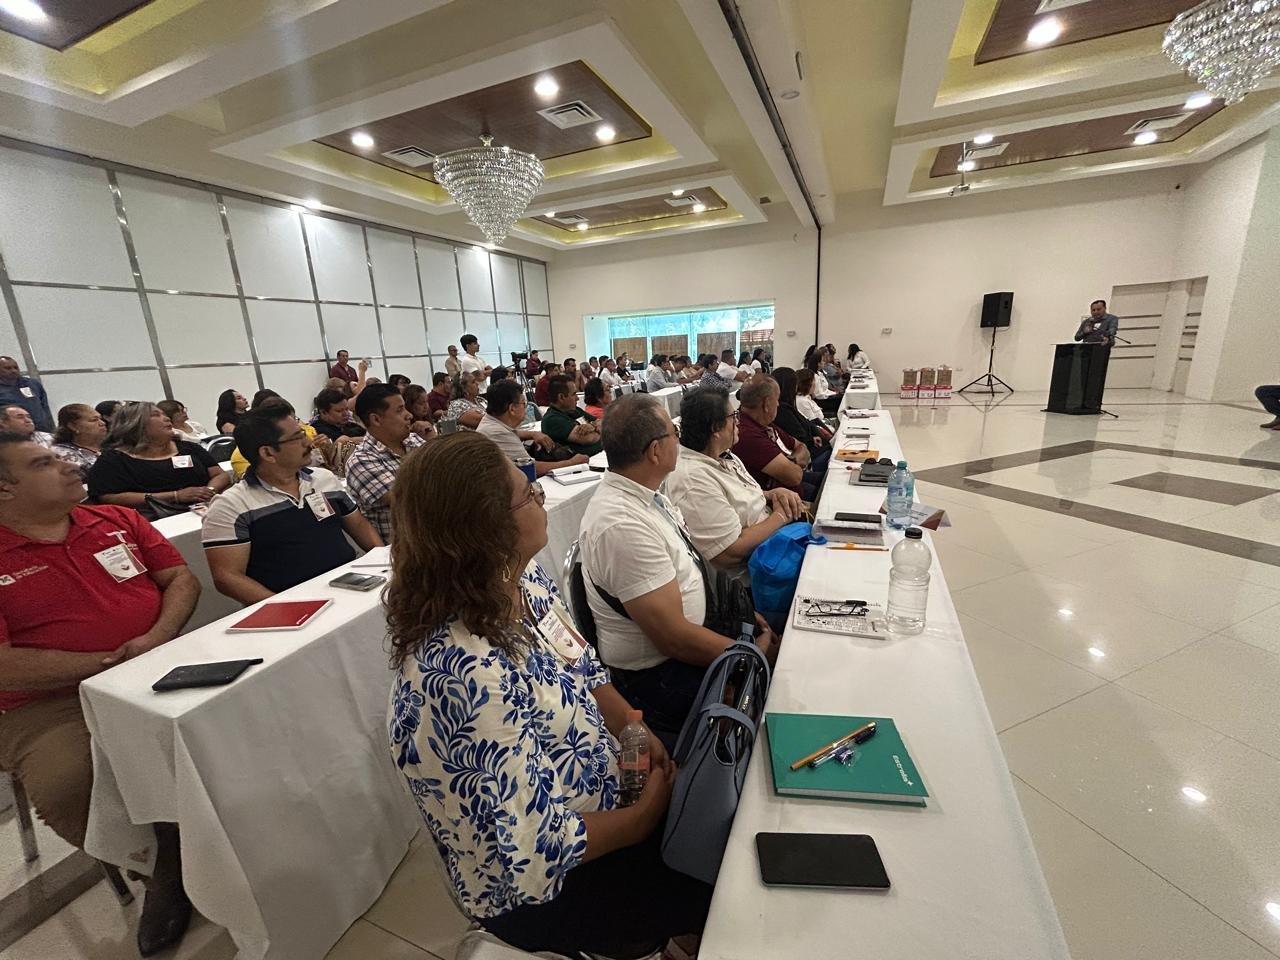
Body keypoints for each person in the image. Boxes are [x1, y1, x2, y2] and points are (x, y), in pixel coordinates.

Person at [385, 432, 708, 956]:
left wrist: (633, 725)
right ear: (487, 528)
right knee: (715, 870)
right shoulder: (465, 674)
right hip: (551, 886)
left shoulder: (517, 579)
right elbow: (537, 849)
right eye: (528, 494)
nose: (540, 499)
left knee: (714, 803)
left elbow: (581, 664)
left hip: (604, 792)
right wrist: (645, 816)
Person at [0, 434, 199, 956]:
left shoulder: (115, 519)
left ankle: (219, 826)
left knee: (230, 713)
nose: (70, 467)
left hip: (157, 659)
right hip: (49, 701)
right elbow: (5, 665)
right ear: (4, 489)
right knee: (70, 780)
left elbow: (180, 579)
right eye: (43, 463)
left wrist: (155, 638)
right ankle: (161, 869)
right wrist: (108, 662)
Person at [579, 394, 777, 741]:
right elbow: (673, 639)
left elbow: (692, 569)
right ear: (656, 451)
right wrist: (748, 656)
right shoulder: (621, 524)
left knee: (781, 646)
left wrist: (740, 616)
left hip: (691, 643)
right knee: (779, 686)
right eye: (675, 433)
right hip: (660, 677)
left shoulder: (647, 495)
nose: (681, 440)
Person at [202, 409, 382, 604]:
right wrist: (287, 608)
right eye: (298, 437)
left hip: (351, 587)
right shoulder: (231, 506)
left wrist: (385, 562)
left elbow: (360, 526)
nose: (308, 442)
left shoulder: (323, 479)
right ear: (268, 453)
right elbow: (227, 578)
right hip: (291, 603)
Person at [666, 387, 804, 579]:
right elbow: (728, 552)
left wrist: (771, 494)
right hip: (759, 575)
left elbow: (736, 498)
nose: (738, 421)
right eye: (733, 416)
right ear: (716, 428)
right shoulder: (692, 480)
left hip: (777, 550)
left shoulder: (722, 454)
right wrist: (781, 516)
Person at [88, 402, 231, 519]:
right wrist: (175, 496)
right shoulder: (113, 460)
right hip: (154, 520)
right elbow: (108, 497)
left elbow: (220, 474)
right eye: (156, 415)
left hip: (205, 512)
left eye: (164, 414)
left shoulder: (188, 448)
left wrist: (209, 491)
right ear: (136, 423)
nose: (167, 418)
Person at [344, 383, 424, 541]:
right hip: (406, 547)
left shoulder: (413, 440)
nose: (409, 415)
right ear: (376, 419)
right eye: (400, 410)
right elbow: (412, 500)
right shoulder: (361, 461)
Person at [733, 377, 816, 501]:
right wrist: (794, 463)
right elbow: (794, 476)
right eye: (777, 399)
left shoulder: (765, 424)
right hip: (783, 502)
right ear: (767, 404)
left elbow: (802, 446)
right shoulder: (748, 435)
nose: (778, 404)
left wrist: (791, 462)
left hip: (793, 489)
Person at [478, 380, 585, 475]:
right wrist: (572, 463)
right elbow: (532, 468)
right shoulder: (497, 432)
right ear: (512, 409)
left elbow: (513, 432)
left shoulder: (491, 423)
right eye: (523, 403)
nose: (526, 407)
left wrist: (533, 434)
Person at [771, 368, 832, 466]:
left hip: (810, 448)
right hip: (809, 454)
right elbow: (799, 436)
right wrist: (812, 439)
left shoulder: (788, 406)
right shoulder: (783, 410)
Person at [542, 375, 603, 456]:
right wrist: (598, 429)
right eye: (574, 394)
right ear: (561, 397)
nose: (577, 398)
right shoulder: (552, 420)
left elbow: (602, 422)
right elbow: (589, 438)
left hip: (601, 453)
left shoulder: (574, 410)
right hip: (586, 461)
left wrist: (593, 426)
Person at [51, 403, 106, 481]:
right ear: (73, 426)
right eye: (94, 420)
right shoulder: (61, 453)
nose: (102, 423)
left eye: (101, 419)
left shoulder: (110, 446)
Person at [0, 355, 52, 432]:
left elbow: (45, 407)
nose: (13, 370)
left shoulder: (33, 384)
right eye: (8, 368)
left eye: (15, 367)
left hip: (41, 430)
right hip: (11, 433)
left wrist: (51, 428)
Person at [802, 349, 841, 416]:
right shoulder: (814, 376)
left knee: (841, 396)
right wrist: (833, 394)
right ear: (818, 363)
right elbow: (819, 395)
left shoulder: (820, 373)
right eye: (822, 361)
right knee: (840, 400)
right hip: (821, 401)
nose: (824, 362)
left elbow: (825, 389)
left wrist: (834, 393)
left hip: (826, 396)